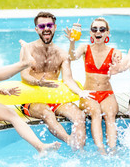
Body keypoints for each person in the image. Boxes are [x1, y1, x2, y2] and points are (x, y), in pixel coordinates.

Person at [19, 11, 90, 150]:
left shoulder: (62, 54)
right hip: (33, 99)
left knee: (79, 115)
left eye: (49, 25)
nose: (46, 28)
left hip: (55, 98)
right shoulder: (28, 49)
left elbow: (68, 80)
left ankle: (80, 152)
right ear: (36, 29)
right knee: (47, 113)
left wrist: (80, 92)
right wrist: (38, 83)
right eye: (42, 26)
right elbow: (24, 75)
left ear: (55, 27)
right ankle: (69, 140)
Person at [65, 17, 122, 155]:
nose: (98, 32)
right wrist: (72, 43)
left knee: (109, 115)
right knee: (96, 112)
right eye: (94, 29)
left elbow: (120, 65)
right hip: (88, 93)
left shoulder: (114, 52)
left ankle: (113, 149)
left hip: (107, 93)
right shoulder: (84, 48)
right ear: (90, 33)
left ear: (107, 33)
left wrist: (117, 65)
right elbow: (72, 57)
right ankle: (101, 149)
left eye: (102, 29)